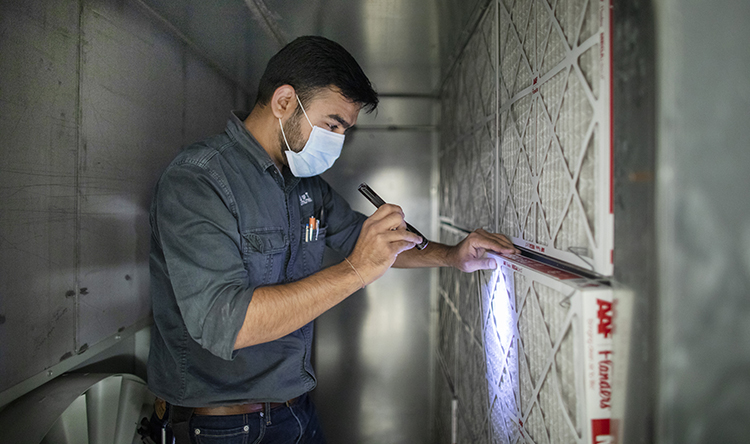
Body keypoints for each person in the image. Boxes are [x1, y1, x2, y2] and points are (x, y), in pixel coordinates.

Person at [146, 35, 518, 444]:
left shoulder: (304, 187)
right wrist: (356, 270)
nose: (337, 141)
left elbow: (370, 243)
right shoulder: (199, 180)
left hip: (296, 412)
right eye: (332, 125)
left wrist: (454, 256)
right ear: (284, 102)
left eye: (344, 131)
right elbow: (229, 324)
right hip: (223, 427)